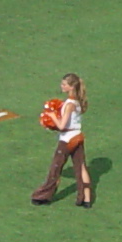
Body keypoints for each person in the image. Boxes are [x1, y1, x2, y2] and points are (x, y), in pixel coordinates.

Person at [32, 73, 92, 207]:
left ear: (71, 87)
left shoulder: (70, 104)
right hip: (78, 137)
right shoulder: (77, 101)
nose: (62, 86)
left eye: (64, 84)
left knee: (55, 168)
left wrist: (52, 115)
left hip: (67, 140)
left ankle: (43, 196)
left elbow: (62, 125)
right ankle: (86, 198)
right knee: (81, 167)